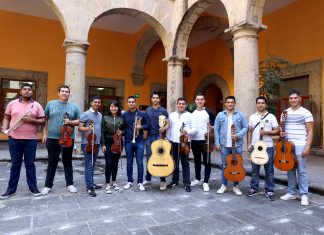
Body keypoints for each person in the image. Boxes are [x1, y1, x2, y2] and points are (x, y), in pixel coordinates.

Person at [0, 83, 45, 199]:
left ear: (32, 92)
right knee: (15, 165)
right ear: (20, 91)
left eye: (29, 89)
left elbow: (43, 121)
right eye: (24, 89)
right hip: (14, 139)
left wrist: (31, 120)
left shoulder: (37, 105)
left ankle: (33, 188)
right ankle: (11, 190)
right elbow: (6, 117)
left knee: (30, 164)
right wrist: (4, 128)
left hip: (31, 140)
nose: (27, 91)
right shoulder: (12, 103)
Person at [41, 85, 81, 195]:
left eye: (67, 91)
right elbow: (45, 119)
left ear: (69, 94)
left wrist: (71, 122)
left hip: (68, 138)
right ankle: (48, 185)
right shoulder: (51, 104)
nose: (64, 93)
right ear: (58, 93)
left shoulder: (74, 106)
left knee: (67, 161)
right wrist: (44, 133)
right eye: (62, 91)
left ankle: (70, 184)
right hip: (53, 138)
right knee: (52, 162)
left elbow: (79, 120)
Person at [279, 90, 313, 206]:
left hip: (300, 144)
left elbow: (310, 130)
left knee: (302, 170)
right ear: (289, 100)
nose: (293, 100)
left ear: (300, 99)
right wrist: (281, 134)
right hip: (288, 145)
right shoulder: (285, 112)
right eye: (291, 98)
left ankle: (304, 194)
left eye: (295, 98)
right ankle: (291, 192)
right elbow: (282, 130)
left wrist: (308, 147)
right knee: (290, 169)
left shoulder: (306, 113)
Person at [246, 96, 279, 201]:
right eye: (259, 103)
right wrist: (249, 144)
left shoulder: (271, 117)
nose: (260, 105)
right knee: (255, 170)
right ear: (256, 104)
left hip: (268, 147)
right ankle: (254, 188)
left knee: (269, 170)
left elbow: (277, 130)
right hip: (255, 147)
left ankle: (269, 190)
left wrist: (266, 132)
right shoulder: (252, 117)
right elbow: (250, 131)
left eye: (262, 103)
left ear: (265, 104)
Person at [214, 96, 248, 196]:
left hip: (237, 145)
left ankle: (236, 186)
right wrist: (217, 142)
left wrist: (238, 135)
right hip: (224, 145)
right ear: (225, 104)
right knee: (224, 166)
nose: (230, 104)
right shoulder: (220, 115)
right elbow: (216, 129)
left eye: (232, 102)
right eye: (228, 102)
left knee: (237, 165)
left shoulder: (240, 115)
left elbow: (246, 127)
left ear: (234, 103)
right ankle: (224, 185)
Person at [166, 97, 194, 192]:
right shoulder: (172, 115)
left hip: (185, 143)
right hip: (174, 142)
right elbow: (169, 128)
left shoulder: (190, 115)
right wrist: (168, 139)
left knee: (185, 163)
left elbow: (195, 129)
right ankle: (175, 180)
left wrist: (187, 131)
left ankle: (187, 183)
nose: (181, 105)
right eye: (179, 104)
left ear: (185, 105)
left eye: (183, 104)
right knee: (174, 162)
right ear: (177, 105)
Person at [143, 91, 169, 191]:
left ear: (159, 99)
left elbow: (168, 124)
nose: (155, 99)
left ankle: (162, 181)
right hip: (150, 137)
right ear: (151, 99)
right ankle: (148, 178)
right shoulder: (148, 110)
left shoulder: (163, 110)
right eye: (153, 98)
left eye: (157, 98)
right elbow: (145, 124)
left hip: (160, 137)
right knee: (149, 158)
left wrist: (164, 128)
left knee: (161, 158)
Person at [190, 93, 215, 192]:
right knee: (196, 161)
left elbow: (214, 125)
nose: (200, 101)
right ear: (195, 101)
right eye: (198, 99)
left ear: (204, 101)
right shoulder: (191, 111)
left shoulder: (209, 112)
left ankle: (206, 182)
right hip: (195, 140)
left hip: (206, 141)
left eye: (201, 99)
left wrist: (212, 128)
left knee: (207, 161)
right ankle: (197, 179)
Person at [122, 96, 148, 191]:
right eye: (129, 102)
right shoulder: (124, 115)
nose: (131, 103)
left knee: (140, 163)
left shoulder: (141, 114)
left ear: (135, 103)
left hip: (139, 141)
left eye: (133, 102)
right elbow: (123, 127)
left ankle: (140, 182)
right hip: (128, 141)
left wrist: (140, 127)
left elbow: (147, 125)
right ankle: (129, 181)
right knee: (129, 163)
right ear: (127, 103)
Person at [78, 96, 102, 197]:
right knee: (89, 165)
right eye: (95, 102)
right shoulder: (85, 114)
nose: (97, 104)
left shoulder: (100, 115)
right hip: (87, 143)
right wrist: (89, 128)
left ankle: (91, 182)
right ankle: (89, 187)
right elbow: (80, 128)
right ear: (91, 103)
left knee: (92, 165)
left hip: (96, 143)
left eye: (99, 102)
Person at [101, 100, 124, 194]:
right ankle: (107, 183)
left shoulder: (121, 118)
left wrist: (122, 132)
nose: (113, 108)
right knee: (109, 163)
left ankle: (114, 181)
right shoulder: (105, 117)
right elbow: (102, 131)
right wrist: (103, 144)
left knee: (115, 163)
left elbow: (125, 130)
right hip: (108, 141)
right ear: (109, 107)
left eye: (115, 106)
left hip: (118, 142)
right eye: (112, 106)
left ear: (118, 108)